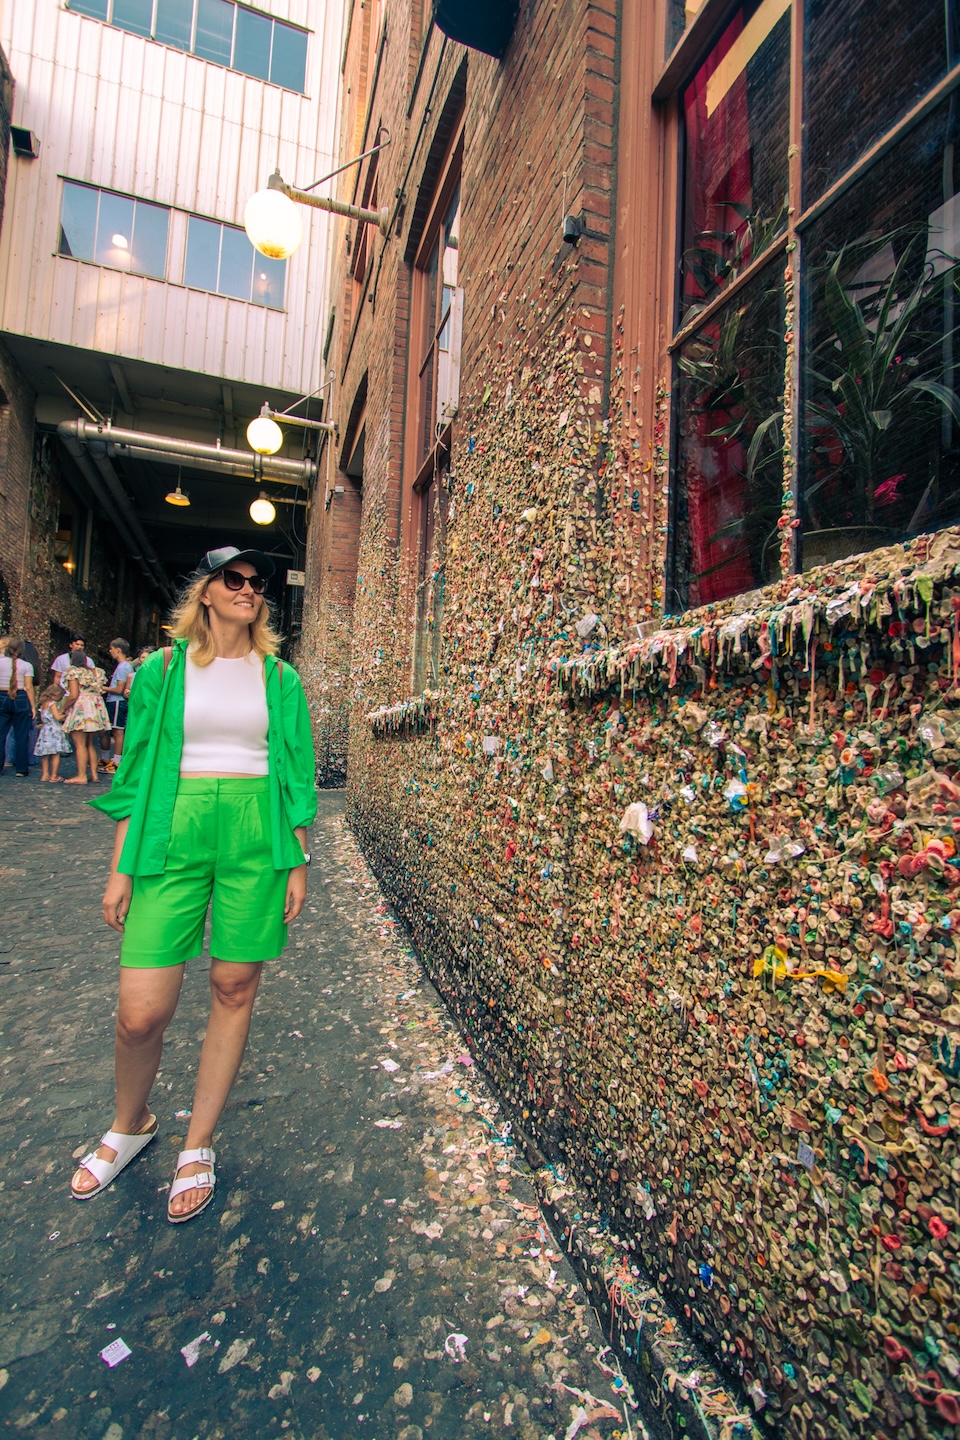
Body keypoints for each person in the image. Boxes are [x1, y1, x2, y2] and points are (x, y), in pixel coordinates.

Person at [72, 546, 317, 1224]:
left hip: (254, 835)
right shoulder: (162, 670)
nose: (247, 590)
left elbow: (293, 770)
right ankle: (131, 1123)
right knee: (140, 1010)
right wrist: (121, 867)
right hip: (171, 832)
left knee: (234, 985)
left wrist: (296, 857)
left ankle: (197, 1141)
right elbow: (139, 771)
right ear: (205, 593)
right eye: (232, 580)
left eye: (255, 583)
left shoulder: (279, 678)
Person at [62, 651, 109, 785]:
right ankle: (94, 774)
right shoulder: (97, 672)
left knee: (80, 744)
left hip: (82, 708)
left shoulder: (74, 672)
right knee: (90, 743)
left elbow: (73, 695)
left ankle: (81, 775)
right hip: (95, 707)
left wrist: (63, 708)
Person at [0, 637, 36, 777]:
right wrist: (33, 706)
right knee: (22, 735)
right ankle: (21, 768)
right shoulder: (27, 666)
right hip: (21, 697)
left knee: (1, 733)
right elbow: (29, 687)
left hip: (2, 695)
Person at [100, 638, 135, 773]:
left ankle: (116, 762)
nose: (110, 651)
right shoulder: (124, 666)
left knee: (117, 731)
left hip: (117, 701)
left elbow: (119, 689)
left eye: (111, 648)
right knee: (114, 730)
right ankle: (110, 760)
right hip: (115, 701)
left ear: (118, 650)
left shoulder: (123, 667)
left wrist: (102, 687)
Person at [34, 681, 72, 781]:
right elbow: (57, 717)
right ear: (55, 695)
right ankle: (54, 775)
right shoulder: (52, 704)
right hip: (54, 729)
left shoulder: (43, 704)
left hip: (45, 730)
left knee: (45, 754)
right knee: (56, 754)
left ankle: (45, 774)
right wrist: (66, 714)